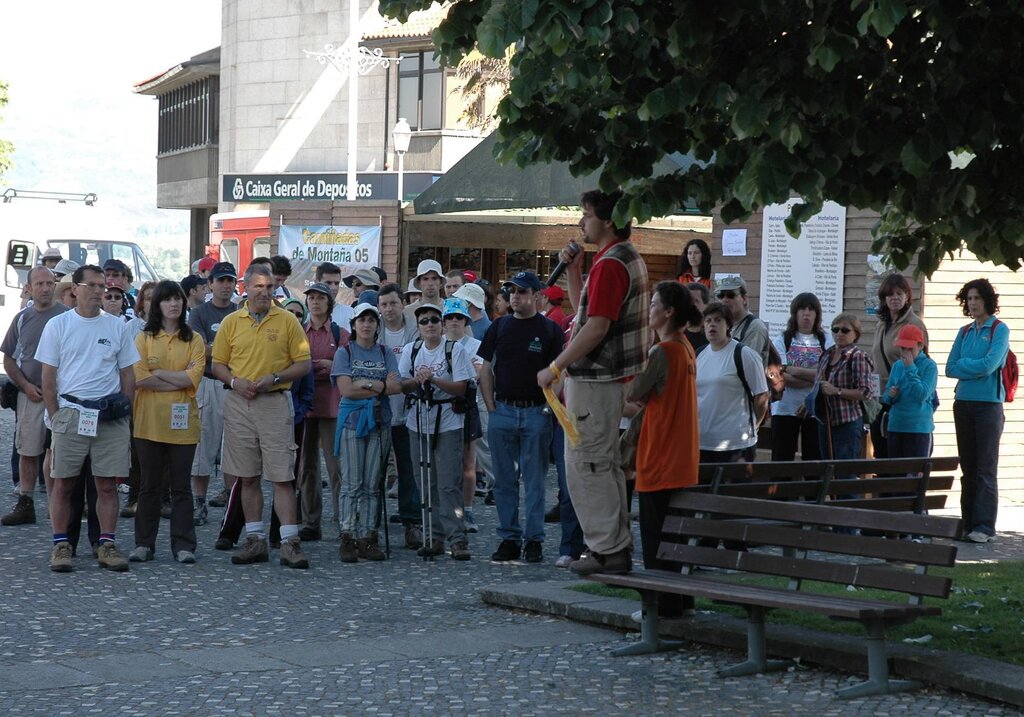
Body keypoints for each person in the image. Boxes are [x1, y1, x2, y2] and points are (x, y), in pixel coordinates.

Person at [536, 189, 649, 577]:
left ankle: (607, 549)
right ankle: (611, 545)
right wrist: (572, 270)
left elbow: (597, 327)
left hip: (598, 379)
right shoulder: (613, 260)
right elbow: (587, 310)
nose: (581, 222)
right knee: (603, 463)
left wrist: (555, 367)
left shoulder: (613, 263)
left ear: (608, 220)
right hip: (605, 378)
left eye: (586, 215)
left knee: (589, 463)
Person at [37, 264, 139, 572]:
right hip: (70, 413)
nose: (99, 291)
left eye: (102, 286)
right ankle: (61, 544)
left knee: (107, 485)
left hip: (109, 416)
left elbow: (127, 374)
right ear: (75, 290)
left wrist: (125, 408)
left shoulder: (117, 326)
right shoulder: (58, 325)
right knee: (63, 484)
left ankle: (106, 543)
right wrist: (55, 417)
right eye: (92, 285)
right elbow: (48, 378)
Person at [210, 263, 313, 569]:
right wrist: (233, 381)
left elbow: (303, 364)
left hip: (274, 401)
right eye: (259, 287)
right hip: (239, 402)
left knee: (282, 476)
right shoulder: (231, 322)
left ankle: (290, 542)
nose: (265, 293)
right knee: (247, 475)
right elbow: (218, 365)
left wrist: (276, 377)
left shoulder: (287, 321)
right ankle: (254, 540)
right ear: (246, 287)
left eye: (269, 287)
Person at [626, 281, 701, 616]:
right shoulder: (685, 348)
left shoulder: (664, 351)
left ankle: (660, 608)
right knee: (677, 536)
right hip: (682, 456)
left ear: (668, 311)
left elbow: (635, 391)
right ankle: (680, 602)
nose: (650, 309)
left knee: (656, 539)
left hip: (660, 453)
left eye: (654, 303)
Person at [479, 271, 561, 563]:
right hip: (503, 410)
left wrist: (550, 408)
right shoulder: (499, 326)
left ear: (537, 296)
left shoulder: (550, 330)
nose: (515, 297)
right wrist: (490, 407)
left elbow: (558, 372)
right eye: (512, 291)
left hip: (536, 412)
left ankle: (534, 540)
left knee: (535, 481)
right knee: (503, 480)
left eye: (522, 292)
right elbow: (485, 368)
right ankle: (509, 538)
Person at [129, 280, 205, 564]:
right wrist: (178, 379)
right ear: (157, 305)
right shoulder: (143, 338)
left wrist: (158, 371)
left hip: (184, 426)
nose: (174, 304)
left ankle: (184, 545)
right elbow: (140, 378)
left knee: (181, 486)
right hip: (148, 423)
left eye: (178, 299)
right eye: (167, 299)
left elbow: (194, 378)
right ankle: (144, 544)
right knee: (149, 485)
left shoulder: (194, 339)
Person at [399, 302, 475, 560]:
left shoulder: (455, 350)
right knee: (425, 483)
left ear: (441, 324)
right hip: (418, 421)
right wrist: (417, 379)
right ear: (418, 326)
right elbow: (403, 385)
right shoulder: (411, 350)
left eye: (434, 319)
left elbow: (462, 387)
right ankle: (433, 536)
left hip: (449, 421)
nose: (430, 324)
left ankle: (457, 538)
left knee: (448, 483)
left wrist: (433, 379)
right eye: (424, 320)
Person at [332, 303, 401, 562]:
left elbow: (396, 387)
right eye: (362, 319)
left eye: (372, 320)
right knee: (351, 483)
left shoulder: (385, 352)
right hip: (352, 421)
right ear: (353, 324)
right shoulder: (345, 352)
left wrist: (367, 383)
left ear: (377, 325)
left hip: (380, 421)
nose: (367, 324)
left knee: (373, 483)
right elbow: (346, 390)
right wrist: (381, 386)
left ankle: (368, 536)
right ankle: (347, 535)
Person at [1, 267, 66, 526]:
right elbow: (9, 359)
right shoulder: (21, 319)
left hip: (62, 396)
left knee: (57, 452)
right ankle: (25, 502)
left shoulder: (66, 317)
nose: (45, 288)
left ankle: (57, 506)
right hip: (31, 396)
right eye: (39, 283)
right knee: (28, 450)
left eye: (50, 283)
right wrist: (26, 386)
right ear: (29, 287)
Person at [946, 278, 1009, 544]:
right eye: (969, 299)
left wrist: (967, 365)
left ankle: (984, 527)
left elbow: (989, 365)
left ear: (987, 301)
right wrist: (973, 366)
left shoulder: (999, 329)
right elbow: (950, 367)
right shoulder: (964, 332)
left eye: (977, 299)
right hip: (963, 404)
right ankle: (968, 523)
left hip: (988, 407)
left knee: (985, 467)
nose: (972, 304)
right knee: (968, 466)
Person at [187, 262, 237, 520]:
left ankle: (231, 499)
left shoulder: (240, 312)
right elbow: (198, 349)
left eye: (230, 281)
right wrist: (228, 350)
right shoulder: (199, 313)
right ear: (211, 283)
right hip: (207, 383)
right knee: (203, 445)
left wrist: (215, 348)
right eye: (221, 280)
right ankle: (199, 502)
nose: (226, 285)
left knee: (234, 446)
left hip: (235, 385)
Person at [298, 282, 348, 542]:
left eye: (320, 298)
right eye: (312, 298)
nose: (315, 302)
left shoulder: (340, 333)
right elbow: (297, 365)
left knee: (336, 467)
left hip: (332, 405)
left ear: (329, 304)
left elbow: (343, 364)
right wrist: (323, 365)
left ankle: (343, 520)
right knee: (307, 467)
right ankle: (310, 522)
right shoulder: (298, 331)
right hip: (305, 406)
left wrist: (316, 366)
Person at [377, 282, 423, 548]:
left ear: (402, 304)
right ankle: (371, 521)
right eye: (384, 304)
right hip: (381, 411)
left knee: (408, 470)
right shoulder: (373, 331)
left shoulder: (415, 331)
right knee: (376, 470)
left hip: (408, 412)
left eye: (393, 303)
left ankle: (411, 522)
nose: (389, 309)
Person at [696, 302, 768, 463]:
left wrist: (754, 426)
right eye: (708, 321)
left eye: (718, 320)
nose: (712, 324)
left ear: (728, 325)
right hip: (702, 443)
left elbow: (761, 396)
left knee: (734, 489)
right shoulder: (699, 355)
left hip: (736, 445)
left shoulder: (744, 354)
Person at [871, 273, 929, 459]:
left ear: (907, 296)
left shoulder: (914, 325)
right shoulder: (881, 324)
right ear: (883, 298)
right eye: (890, 294)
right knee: (880, 456)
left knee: (899, 461)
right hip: (880, 398)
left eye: (899, 293)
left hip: (902, 400)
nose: (894, 298)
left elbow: (922, 362)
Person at [770, 292, 832, 461]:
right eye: (802, 309)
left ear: (817, 315)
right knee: (781, 460)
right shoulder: (782, 339)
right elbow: (778, 375)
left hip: (814, 409)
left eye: (811, 310)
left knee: (814, 460)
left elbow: (830, 373)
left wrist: (795, 371)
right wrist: (815, 377)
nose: (806, 313)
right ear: (795, 313)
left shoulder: (826, 340)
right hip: (784, 409)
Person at [441, 297, 484, 533]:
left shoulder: (476, 345)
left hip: (467, 408)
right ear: (444, 321)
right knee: (443, 463)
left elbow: (475, 377)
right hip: (442, 408)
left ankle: (467, 510)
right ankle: (445, 509)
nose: (454, 321)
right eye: (450, 317)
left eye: (459, 317)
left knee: (469, 464)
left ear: (466, 320)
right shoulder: (435, 343)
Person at [815, 313, 874, 462]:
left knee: (845, 474)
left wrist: (837, 391)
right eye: (835, 330)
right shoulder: (826, 354)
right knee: (826, 470)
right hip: (825, 421)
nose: (839, 333)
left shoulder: (857, 356)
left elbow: (866, 392)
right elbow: (819, 384)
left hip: (847, 423)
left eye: (845, 330)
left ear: (856, 334)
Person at [881, 324, 937, 460]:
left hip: (918, 428)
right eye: (902, 348)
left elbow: (922, 394)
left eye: (910, 348)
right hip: (896, 425)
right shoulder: (897, 365)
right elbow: (886, 396)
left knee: (916, 475)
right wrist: (890, 395)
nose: (906, 352)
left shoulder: (930, 366)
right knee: (897, 475)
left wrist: (910, 368)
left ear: (920, 346)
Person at [715, 275, 770, 365]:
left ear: (744, 299)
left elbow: (746, 363)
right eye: (721, 296)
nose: (725, 300)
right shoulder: (723, 326)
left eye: (730, 295)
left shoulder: (755, 327)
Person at [683, 282, 710, 353]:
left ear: (706, 305)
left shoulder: (711, 334)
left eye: (696, 301)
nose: (691, 305)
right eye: (688, 301)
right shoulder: (677, 334)